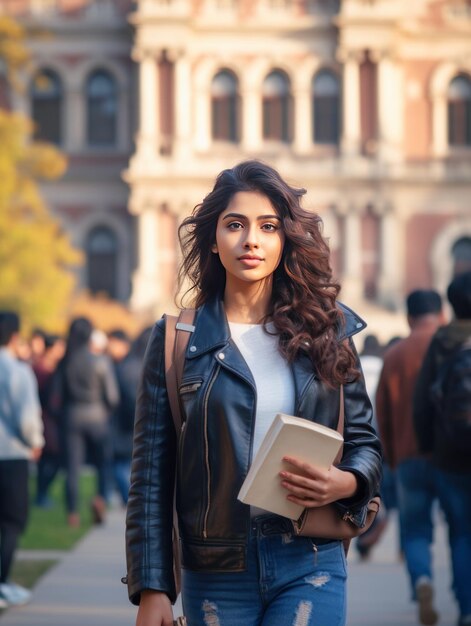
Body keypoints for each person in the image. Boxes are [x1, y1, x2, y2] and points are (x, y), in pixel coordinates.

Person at [125, 160, 382, 626]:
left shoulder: (325, 334)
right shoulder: (177, 341)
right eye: (235, 225)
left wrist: (346, 483)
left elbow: (365, 444)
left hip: (310, 560)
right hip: (217, 568)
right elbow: (150, 477)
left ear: (285, 240)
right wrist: (152, 587)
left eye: (268, 226)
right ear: (212, 239)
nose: (251, 240)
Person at [375, 290, 445, 626]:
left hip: (407, 456)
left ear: (408, 318)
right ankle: (466, 604)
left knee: (415, 529)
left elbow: (382, 414)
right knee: (463, 532)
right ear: (442, 315)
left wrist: (390, 455)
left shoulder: (395, 355)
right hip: (452, 457)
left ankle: (422, 580)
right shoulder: (453, 347)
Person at [414, 272, 471, 626]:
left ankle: (466, 609)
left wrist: (428, 448)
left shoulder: (442, 341)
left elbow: (422, 403)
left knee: (461, 532)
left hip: (450, 455)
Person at [52, 317, 119, 527]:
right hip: (97, 416)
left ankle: (72, 514)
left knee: (72, 468)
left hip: (72, 416)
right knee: (102, 464)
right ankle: (99, 498)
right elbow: (113, 397)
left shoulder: (65, 362)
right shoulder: (101, 361)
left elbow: (55, 398)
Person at [0, 311, 44, 607]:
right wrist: (35, 442)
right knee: (12, 520)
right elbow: (27, 417)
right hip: (11, 454)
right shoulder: (17, 371)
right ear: (15, 336)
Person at [111, 327, 151, 506]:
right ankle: (131, 499)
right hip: (129, 425)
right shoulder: (137, 367)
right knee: (123, 464)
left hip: (126, 424)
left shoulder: (129, 365)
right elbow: (131, 401)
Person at [33, 333, 66, 508]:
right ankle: (41, 494)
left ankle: (42, 494)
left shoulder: (51, 368)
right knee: (51, 458)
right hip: (46, 419)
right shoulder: (41, 369)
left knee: (49, 459)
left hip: (48, 419)